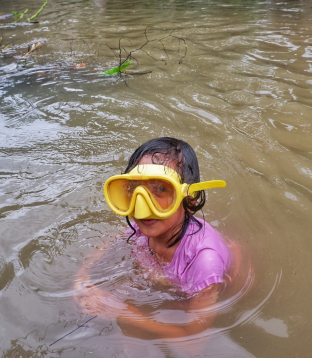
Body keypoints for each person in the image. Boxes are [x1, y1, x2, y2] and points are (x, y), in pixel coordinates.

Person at [74, 137, 234, 338]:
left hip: (212, 276)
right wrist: (83, 274)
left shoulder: (204, 262)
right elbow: (112, 241)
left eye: (161, 188)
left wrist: (124, 313)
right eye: (134, 188)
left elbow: (192, 341)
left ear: (190, 199)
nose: (143, 205)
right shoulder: (147, 223)